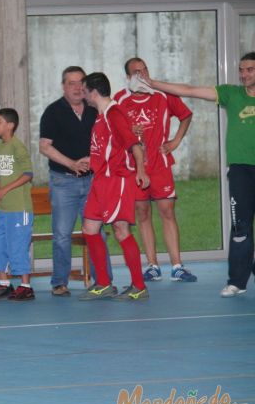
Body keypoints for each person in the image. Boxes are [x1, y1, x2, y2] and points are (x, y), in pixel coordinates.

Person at [145, 52, 255, 297]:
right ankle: (237, 281)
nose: (244, 74)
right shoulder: (231, 94)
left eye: (250, 70)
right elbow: (190, 90)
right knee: (241, 228)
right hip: (240, 170)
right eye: (242, 69)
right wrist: (153, 84)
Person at [113, 58, 197, 282]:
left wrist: (175, 141)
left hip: (160, 165)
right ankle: (152, 265)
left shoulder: (163, 94)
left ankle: (177, 265)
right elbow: (112, 131)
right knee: (143, 214)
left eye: (144, 70)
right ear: (128, 77)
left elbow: (186, 115)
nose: (142, 75)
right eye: (136, 72)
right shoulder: (119, 100)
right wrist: (129, 131)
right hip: (135, 167)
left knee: (167, 212)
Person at [77, 73, 151, 302]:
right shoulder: (100, 117)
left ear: (94, 92)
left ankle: (139, 286)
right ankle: (104, 283)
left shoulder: (113, 113)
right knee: (89, 229)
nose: (82, 94)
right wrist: (92, 160)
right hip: (100, 181)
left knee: (121, 230)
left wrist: (140, 171)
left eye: (84, 90)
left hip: (116, 180)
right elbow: (108, 147)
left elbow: (134, 145)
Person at [39, 66, 112, 296]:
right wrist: (71, 163)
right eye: (71, 83)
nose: (77, 87)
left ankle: (103, 280)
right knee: (61, 234)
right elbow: (44, 146)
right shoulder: (53, 112)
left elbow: (107, 140)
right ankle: (59, 282)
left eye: (81, 82)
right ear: (63, 86)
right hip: (63, 181)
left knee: (97, 233)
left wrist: (93, 159)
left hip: (92, 182)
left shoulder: (95, 110)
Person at [0, 108, 35, 301]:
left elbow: (28, 174)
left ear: (10, 125)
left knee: (17, 245)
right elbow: (6, 176)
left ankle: (25, 286)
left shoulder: (17, 146)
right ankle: (4, 283)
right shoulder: (0, 147)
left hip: (18, 208)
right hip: (3, 209)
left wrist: (5, 190)